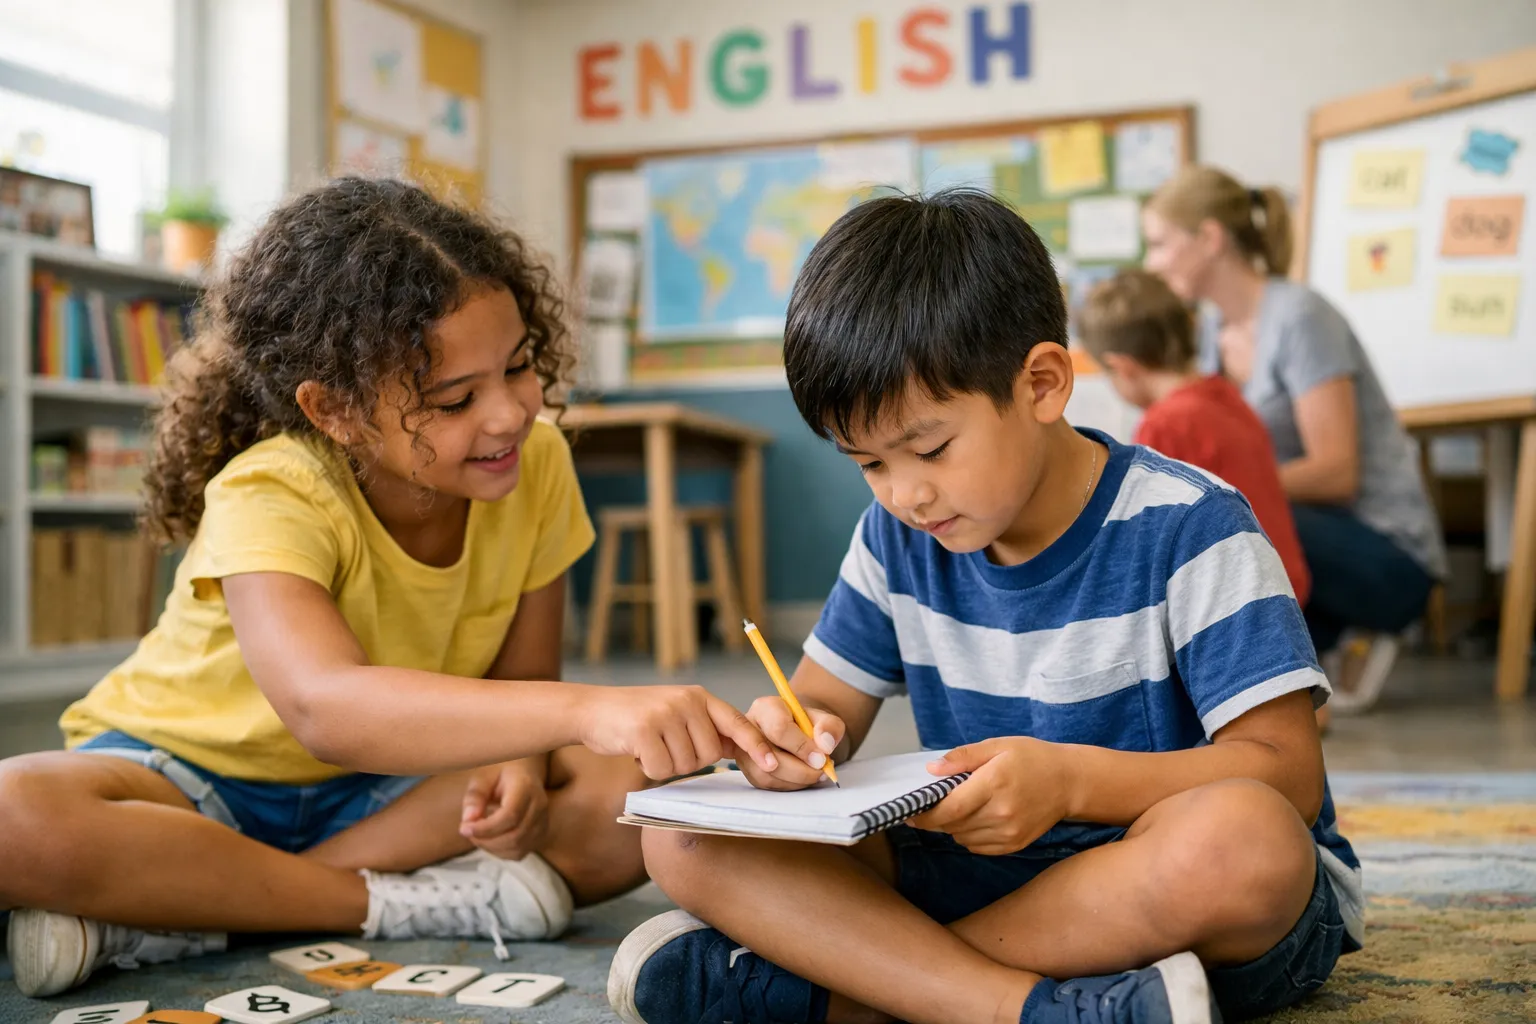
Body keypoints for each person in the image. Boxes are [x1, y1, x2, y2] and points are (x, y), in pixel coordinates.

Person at [0, 178, 777, 998]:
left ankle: (189, 905)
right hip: (187, 780)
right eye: (456, 399)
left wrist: (519, 760)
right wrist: (586, 708)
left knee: (646, 787)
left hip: (393, 801)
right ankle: (371, 902)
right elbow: (323, 707)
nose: (511, 413)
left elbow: (520, 686)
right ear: (334, 410)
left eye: (518, 367)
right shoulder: (274, 487)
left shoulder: (538, 464)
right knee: (15, 815)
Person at [606, 190, 1360, 1024]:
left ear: (1042, 383)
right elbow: (824, 703)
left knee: (1242, 843)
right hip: (979, 865)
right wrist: (794, 734)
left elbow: (1286, 775)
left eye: (929, 448)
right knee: (683, 838)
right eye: (869, 464)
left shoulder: (1190, 525)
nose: (907, 493)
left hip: (1159, 884)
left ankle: (864, 993)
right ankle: (1027, 1007)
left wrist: (1070, 781)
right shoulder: (896, 540)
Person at [1142, 166, 1446, 713]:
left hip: (1387, 556)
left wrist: (1219, 491)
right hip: (1311, 546)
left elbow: (1337, 472)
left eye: (1160, 244)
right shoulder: (1212, 330)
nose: (1152, 262)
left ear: (1209, 239)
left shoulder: (1301, 317)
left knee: (1221, 514)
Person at [1078, 268, 1310, 605]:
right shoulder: (1225, 396)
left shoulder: (1164, 426)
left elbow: (1142, 546)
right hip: (1286, 584)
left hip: (1245, 601)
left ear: (1123, 367)